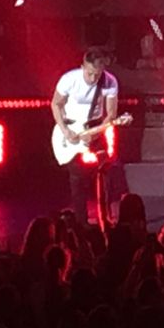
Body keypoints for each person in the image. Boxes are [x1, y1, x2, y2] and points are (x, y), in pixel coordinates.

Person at [50, 46, 119, 224]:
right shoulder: (69, 79)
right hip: (70, 128)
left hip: (95, 126)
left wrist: (97, 133)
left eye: (97, 74)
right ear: (83, 66)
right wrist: (65, 130)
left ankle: (105, 218)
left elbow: (111, 114)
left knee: (105, 170)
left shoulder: (109, 81)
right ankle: (82, 222)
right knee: (77, 176)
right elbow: (56, 104)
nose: (93, 78)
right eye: (89, 73)